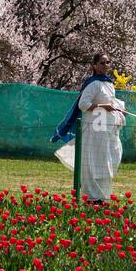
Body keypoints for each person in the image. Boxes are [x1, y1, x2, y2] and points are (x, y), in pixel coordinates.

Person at [52, 52, 125, 203]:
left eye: (107, 62)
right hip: (94, 130)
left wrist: (118, 107)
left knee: (106, 161)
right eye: (102, 62)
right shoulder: (92, 84)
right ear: (95, 65)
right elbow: (83, 104)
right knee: (92, 162)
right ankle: (92, 197)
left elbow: (111, 100)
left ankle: (102, 196)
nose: (106, 65)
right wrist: (103, 106)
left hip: (106, 130)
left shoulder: (109, 84)